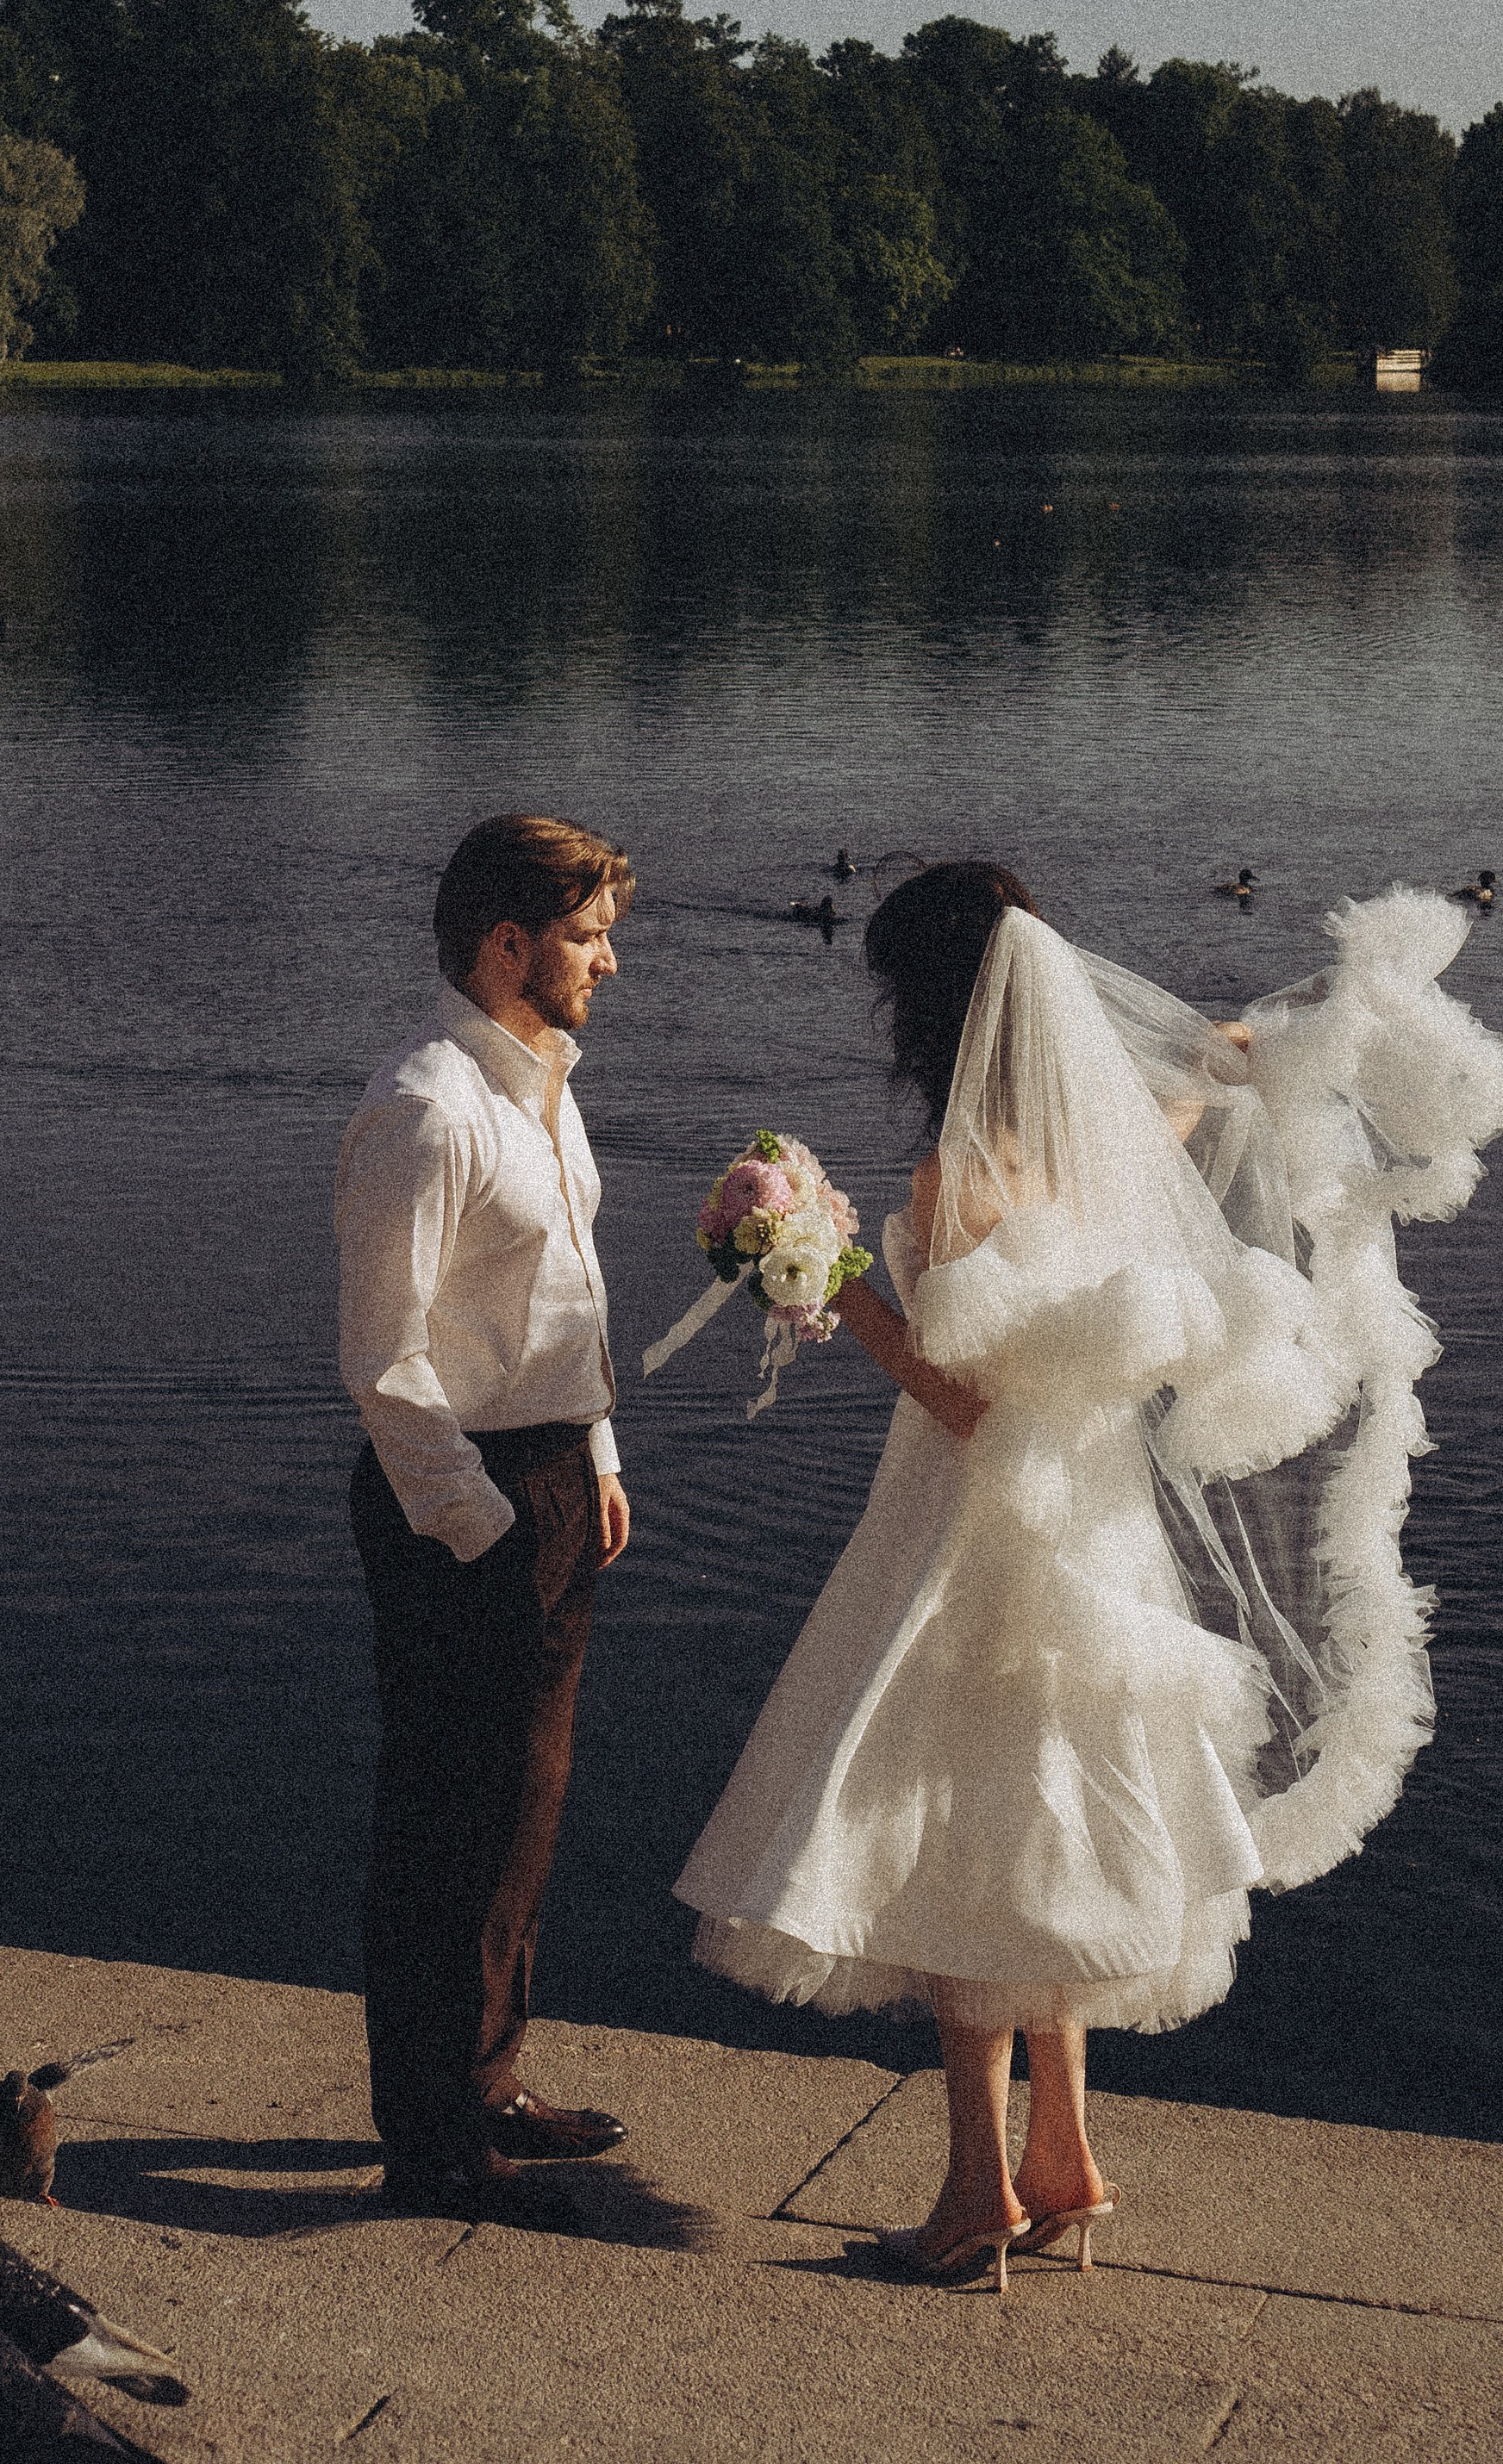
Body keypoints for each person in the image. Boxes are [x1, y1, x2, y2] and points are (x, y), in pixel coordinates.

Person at [677, 859, 1503, 2287]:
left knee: (967, 1849)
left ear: (928, 1008)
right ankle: (1061, 2157)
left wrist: (819, 1277)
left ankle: (973, 2194)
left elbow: (968, 1401)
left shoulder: (957, 1177)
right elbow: (1225, 1070)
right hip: (1105, 1534)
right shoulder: (1135, 1132)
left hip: (977, 1534)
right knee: (1055, 1826)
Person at [337, 812, 637, 2215]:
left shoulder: (544, 1086)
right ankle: (431, 2136)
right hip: (462, 1493)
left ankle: (491, 2073)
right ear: (507, 946)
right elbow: (386, 1362)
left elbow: (562, 1292)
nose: (610, 962)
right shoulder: (427, 1106)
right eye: (586, 935)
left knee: (527, 1804)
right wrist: (484, 1527)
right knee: (442, 1825)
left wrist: (602, 1459)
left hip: (556, 1476)